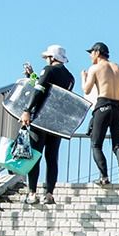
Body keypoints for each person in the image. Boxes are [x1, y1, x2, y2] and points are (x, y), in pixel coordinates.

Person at [20, 44, 75, 205]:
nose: (46, 60)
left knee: (35, 156)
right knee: (52, 158)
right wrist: (33, 76)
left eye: (47, 58)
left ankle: (32, 193)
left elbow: (39, 90)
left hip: (42, 119)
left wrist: (27, 110)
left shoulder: (48, 69)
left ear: (52, 57)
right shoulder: (70, 77)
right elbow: (53, 91)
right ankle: (49, 194)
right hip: (57, 122)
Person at [82, 41, 119, 190]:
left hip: (103, 105)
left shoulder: (95, 68)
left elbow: (87, 89)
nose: (90, 56)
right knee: (118, 144)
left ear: (97, 52)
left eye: (91, 52)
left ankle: (104, 177)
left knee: (96, 144)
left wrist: (83, 77)